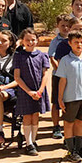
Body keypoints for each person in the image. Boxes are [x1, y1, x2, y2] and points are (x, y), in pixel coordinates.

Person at [56, 31, 82, 163]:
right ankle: (71, 150)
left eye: (81, 42)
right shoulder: (65, 60)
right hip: (70, 97)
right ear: (70, 43)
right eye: (76, 42)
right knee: (69, 123)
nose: (79, 45)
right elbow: (62, 81)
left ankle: (79, 147)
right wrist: (60, 98)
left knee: (81, 122)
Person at [13, 28, 50, 156]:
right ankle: (28, 143)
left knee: (36, 116)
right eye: (27, 40)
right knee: (27, 116)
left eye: (33, 39)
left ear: (37, 41)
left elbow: (45, 74)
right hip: (25, 91)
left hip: (39, 91)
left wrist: (40, 90)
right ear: (22, 41)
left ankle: (34, 141)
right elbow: (17, 77)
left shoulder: (42, 55)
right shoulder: (18, 56)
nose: (30, 42)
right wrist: (29, 92)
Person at [48, 14, 72, 139]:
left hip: (73, 77)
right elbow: (52, 57)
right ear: (58, 26)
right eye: (63, 25)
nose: (65, 28)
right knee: (57, 102)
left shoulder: (74, 40)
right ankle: (56, 126)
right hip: (58, 75)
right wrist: (61, 71)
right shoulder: (55, 41)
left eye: (68, 26)